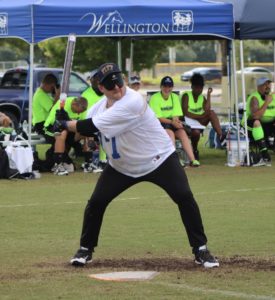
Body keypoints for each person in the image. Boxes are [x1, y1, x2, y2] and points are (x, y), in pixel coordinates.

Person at [53, 62, 219, 268]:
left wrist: (65, 124)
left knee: (184, 197)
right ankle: (85, 250)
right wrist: (64, 121)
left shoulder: (132, 101)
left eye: (119, 82)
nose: (118, 88)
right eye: (111, 86)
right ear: (102, 88)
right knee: (96, 203)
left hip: (159, 159)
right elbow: (85, 129)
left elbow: (91, 125)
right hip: (122, 167)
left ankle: (200, 249)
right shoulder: (98, 107)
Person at [149, 76, 200, 167]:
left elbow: (176, 114)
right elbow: (158, 118)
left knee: (182, 133)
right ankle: (175, 160)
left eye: (169, 86)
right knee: (170, 134)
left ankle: (192, 160)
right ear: (161, 87)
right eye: (165, 86)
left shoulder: (175, 97)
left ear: (172, 87)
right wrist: (172, 122)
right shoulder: (154, 98)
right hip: (159, 124)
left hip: (171, 122)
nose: (167, 89)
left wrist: (176, 122)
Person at [181, 73, 225, 160]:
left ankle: (221, 136)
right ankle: (195, 150)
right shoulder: (186, 96)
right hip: (186, 124)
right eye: (197, 87)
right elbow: (185, 112)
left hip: (197, 122)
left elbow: (207, 110)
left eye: (201, 88)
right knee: (196, 133)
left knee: (211, 113)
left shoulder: (202, 98)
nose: (199, 90)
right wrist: (200, 116)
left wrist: (208, 95)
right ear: (192, 87)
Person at [44, 96, 88, 175]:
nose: (78, 114)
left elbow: (82, 125)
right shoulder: (62, 104)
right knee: (62, 132)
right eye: (77, 111)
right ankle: (58, 164)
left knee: (88, 131)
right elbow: (58, 125)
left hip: (69, 131)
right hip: (51, 128)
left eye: (80, 112)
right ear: (74, 104)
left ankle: (89, 162)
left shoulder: (82, 108)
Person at [241, 77, 275, 165]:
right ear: (259, 87)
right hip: (249, 125)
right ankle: (264, 154)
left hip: (267, 125)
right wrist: (266, 102)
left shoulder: (273, 96)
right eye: (265, 85)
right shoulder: (254, 98)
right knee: (257, 122)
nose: (267, 86)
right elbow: (256, 116)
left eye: (268, 84)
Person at [82, 69, 107, 173]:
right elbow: (84, 116)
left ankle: (103, 161)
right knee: (90, 131)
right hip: (89, 123)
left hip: (105, 123)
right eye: (95, 79)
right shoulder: (86, 95)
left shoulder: (107, 92)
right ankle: (89, 162)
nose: (98, 81)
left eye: (100, 79)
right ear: (91, 80)